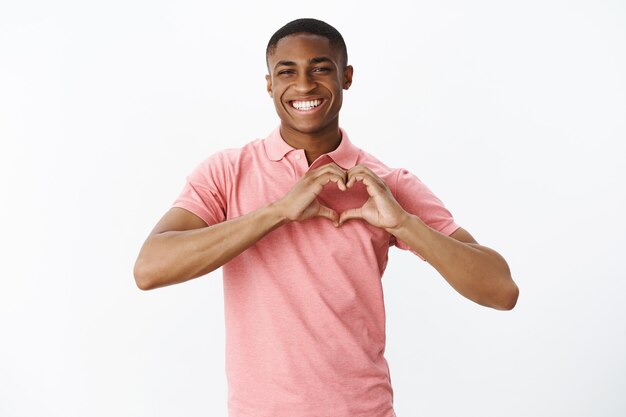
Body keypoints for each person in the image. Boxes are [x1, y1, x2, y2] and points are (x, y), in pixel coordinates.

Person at [134, 18, 519, 417]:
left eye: (320, 68)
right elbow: (150, 268)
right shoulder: (227, 172)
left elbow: (501, 289)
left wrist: (404, 224)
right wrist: (278, 211)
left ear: (346, 77)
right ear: (269, 83)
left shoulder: (385, 183)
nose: (304, 85)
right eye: (287, 71)